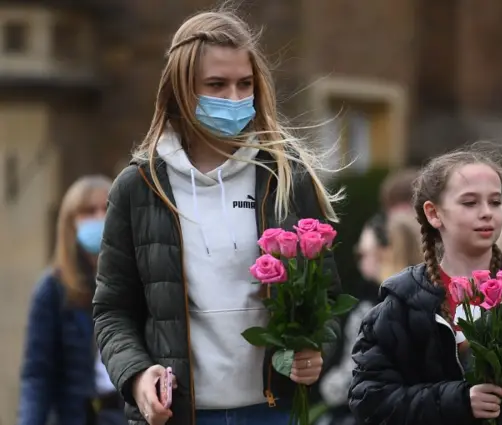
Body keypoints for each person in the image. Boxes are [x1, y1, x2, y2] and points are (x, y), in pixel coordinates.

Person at [92, 9, 342, 425]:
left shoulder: (285, 177)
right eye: (216, 85)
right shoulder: (138, 186)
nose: (234, 98)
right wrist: (136, 377)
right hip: (179, 415)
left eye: (245, 84)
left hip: (273, 412)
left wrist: (316, 348)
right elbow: (113, 310)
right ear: (181, 90)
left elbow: (328, 298)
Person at [348, 143, 502, 425]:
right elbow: (369, 399)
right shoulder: (402, 300)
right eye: (469, 202)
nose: (487, 212)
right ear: (434, 214)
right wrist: (459, 400)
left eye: (495, 202)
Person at [18, 175, 127, 425]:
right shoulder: (53, 289)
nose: (100, 217)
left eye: (107, 208)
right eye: (89, 211)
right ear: (71, 222)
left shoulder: (135, 280)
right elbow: (37, 374)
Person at [317, 209, 422, 425]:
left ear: (386, 251)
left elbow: (350, 380)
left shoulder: (372, 311)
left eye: (362, 254)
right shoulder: (431, 303)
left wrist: (324, 385)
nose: (358, 262)